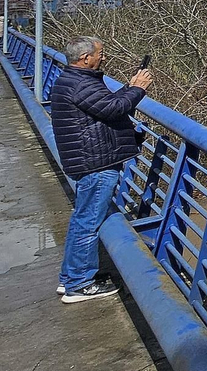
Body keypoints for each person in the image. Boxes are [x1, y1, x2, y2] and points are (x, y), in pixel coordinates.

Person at [51, 36, 153, 304]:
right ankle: (79, 284)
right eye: (100, 53)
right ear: (86, 59)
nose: (103, 57)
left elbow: (102, 106)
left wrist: (128, 88)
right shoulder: (81, 83)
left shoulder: (74, 80)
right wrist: (138, 90)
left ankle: (70, 277)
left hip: (91, 160)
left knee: (83, 218)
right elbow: (113, 108)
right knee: (87, 223)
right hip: (96, 163)